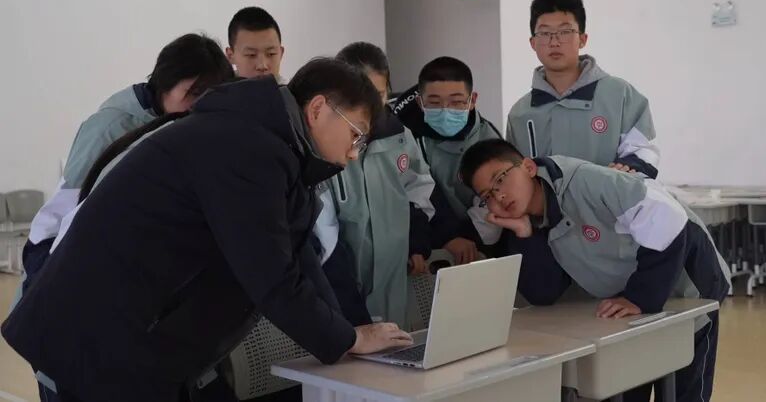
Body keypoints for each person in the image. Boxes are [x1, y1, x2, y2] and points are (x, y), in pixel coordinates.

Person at [2, 58, 413, 402]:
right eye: (356, 134)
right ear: (318, 108)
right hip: (98, 338)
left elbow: (299, 257)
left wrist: (347, 334)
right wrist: (347, 340)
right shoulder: (246, 148)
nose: (354, 154)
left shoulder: (275, 151)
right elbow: (271, 275)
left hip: (132, 339)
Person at [459, 139, 730, 402]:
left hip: (689, 282)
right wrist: (524, 233)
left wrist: (639, 297)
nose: (499, 196)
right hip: (632, 304)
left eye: (500, 179)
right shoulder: (532, 217)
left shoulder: (586, 181)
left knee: (683, 387)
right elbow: (544, 293)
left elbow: (666, 218)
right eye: (487, 196)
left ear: (528, 167)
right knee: (630, 383)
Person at [19, 33, 234, 295]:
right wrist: (42, 282)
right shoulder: (108, 130)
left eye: (212, 95)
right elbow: (61, 213)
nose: (202, 105)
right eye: (195, 93)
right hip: (58, 277)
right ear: (165, 83)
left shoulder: (178, 128)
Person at [327, 42, 439, 327]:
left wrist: (416, 240)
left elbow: (419, 189)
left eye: (378, 94)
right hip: (340, 276)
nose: (371, 106)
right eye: (361, 95)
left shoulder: (400, 138)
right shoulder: (327, 143)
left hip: (393, 271)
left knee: (392, 338)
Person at [507, 0, 660, 178]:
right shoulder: (520, 114)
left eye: (565, 32)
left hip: (608, 198)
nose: (554, 42)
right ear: (532, 43)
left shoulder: (620, 96)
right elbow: (513, 175)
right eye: (545, 33)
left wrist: (625, 170)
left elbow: (643, 152)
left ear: (582, 39)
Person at [393, 56, 501, 261]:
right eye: (434, 103)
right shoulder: (404, 138)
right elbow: (409, 192)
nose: (445, 111)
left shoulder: (489, 140)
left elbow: (497, 197)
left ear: (472, 100)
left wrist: (466, 239)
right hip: (423, 240)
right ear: (420, 102)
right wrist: (446, 237)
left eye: (457, 102)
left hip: (477, 240)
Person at [225, 6, 285, 81]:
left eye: (271, 54)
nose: (262, 66)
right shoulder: (215, 87)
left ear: (281, 53)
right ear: (230, 56)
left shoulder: (291, 88)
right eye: (251, 55)